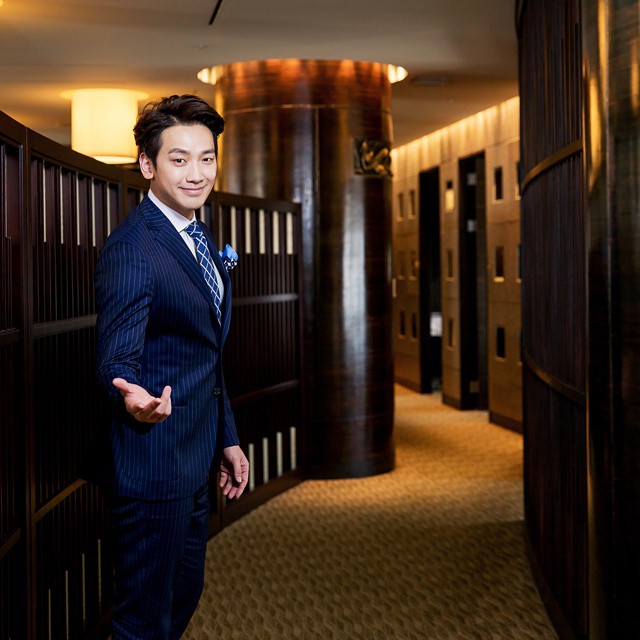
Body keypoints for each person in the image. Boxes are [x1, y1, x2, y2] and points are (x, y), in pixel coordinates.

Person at [94, 94, 249, 640]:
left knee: (182, 599)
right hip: (152, 464)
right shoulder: (134, 247)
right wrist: (132, 397)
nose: (196, 173)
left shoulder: (198, 235)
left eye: (206, 158)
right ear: (147, 165)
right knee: (142, 623)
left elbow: (205, 356)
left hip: (194, 458)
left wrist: (226, 438)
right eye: (178, 159)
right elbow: (116, 359)